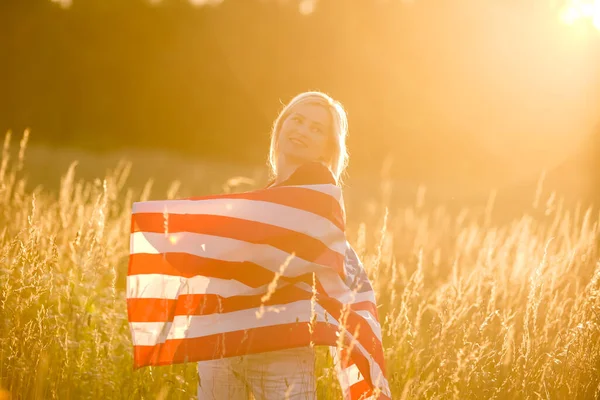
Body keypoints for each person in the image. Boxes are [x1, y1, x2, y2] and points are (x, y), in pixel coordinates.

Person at [196, 91, 349, 400]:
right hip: (227, 340)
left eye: (316, 128)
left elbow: (274, 259)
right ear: (281, 126)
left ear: (327, 148)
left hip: (279, 347)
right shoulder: (270, 194)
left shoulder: (318, 185)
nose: (302, 130)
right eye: (297, 119)